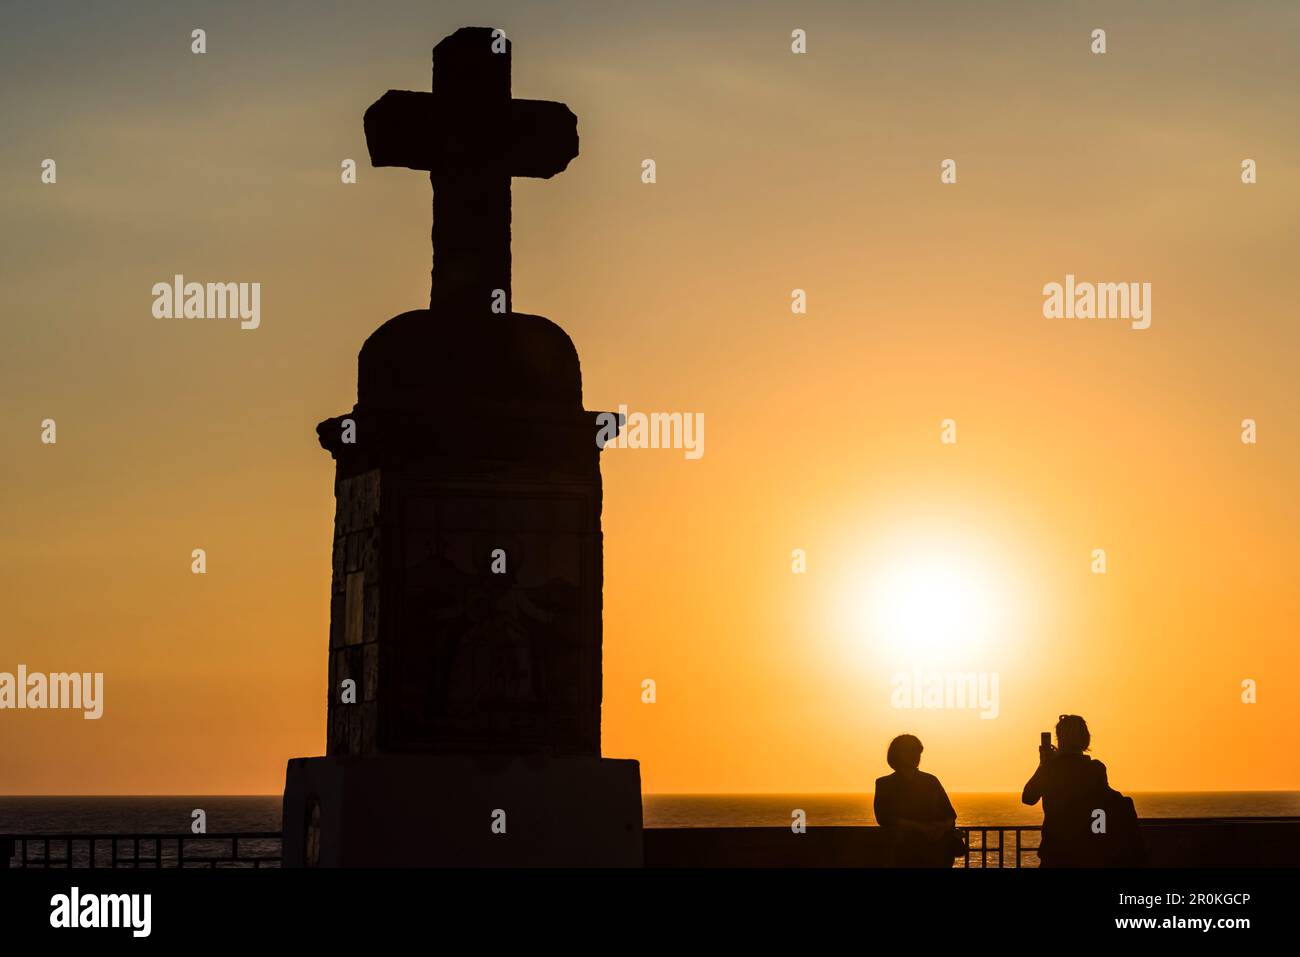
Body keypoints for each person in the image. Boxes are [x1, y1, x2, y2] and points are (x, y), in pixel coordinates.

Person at [1022, 714, 1109, 867]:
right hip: (1087, 852)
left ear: (1060, 740)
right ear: (1084, 739)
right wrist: (1099, 838)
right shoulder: (1096, 769)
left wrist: (1044, 764)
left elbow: (1028, 798)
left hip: (1055, 852)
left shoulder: (1050, 769)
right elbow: (1100, 810)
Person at [873, 734, 958, 867]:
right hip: (904, 853)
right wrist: (921, 828)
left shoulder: (931, 781)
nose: (915, 756)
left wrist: (941, 827)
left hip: (936, 853)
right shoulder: (885, 784)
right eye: (910, 751)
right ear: (898, 755)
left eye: (917, 752)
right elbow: (883, 817)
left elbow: (950, 814)